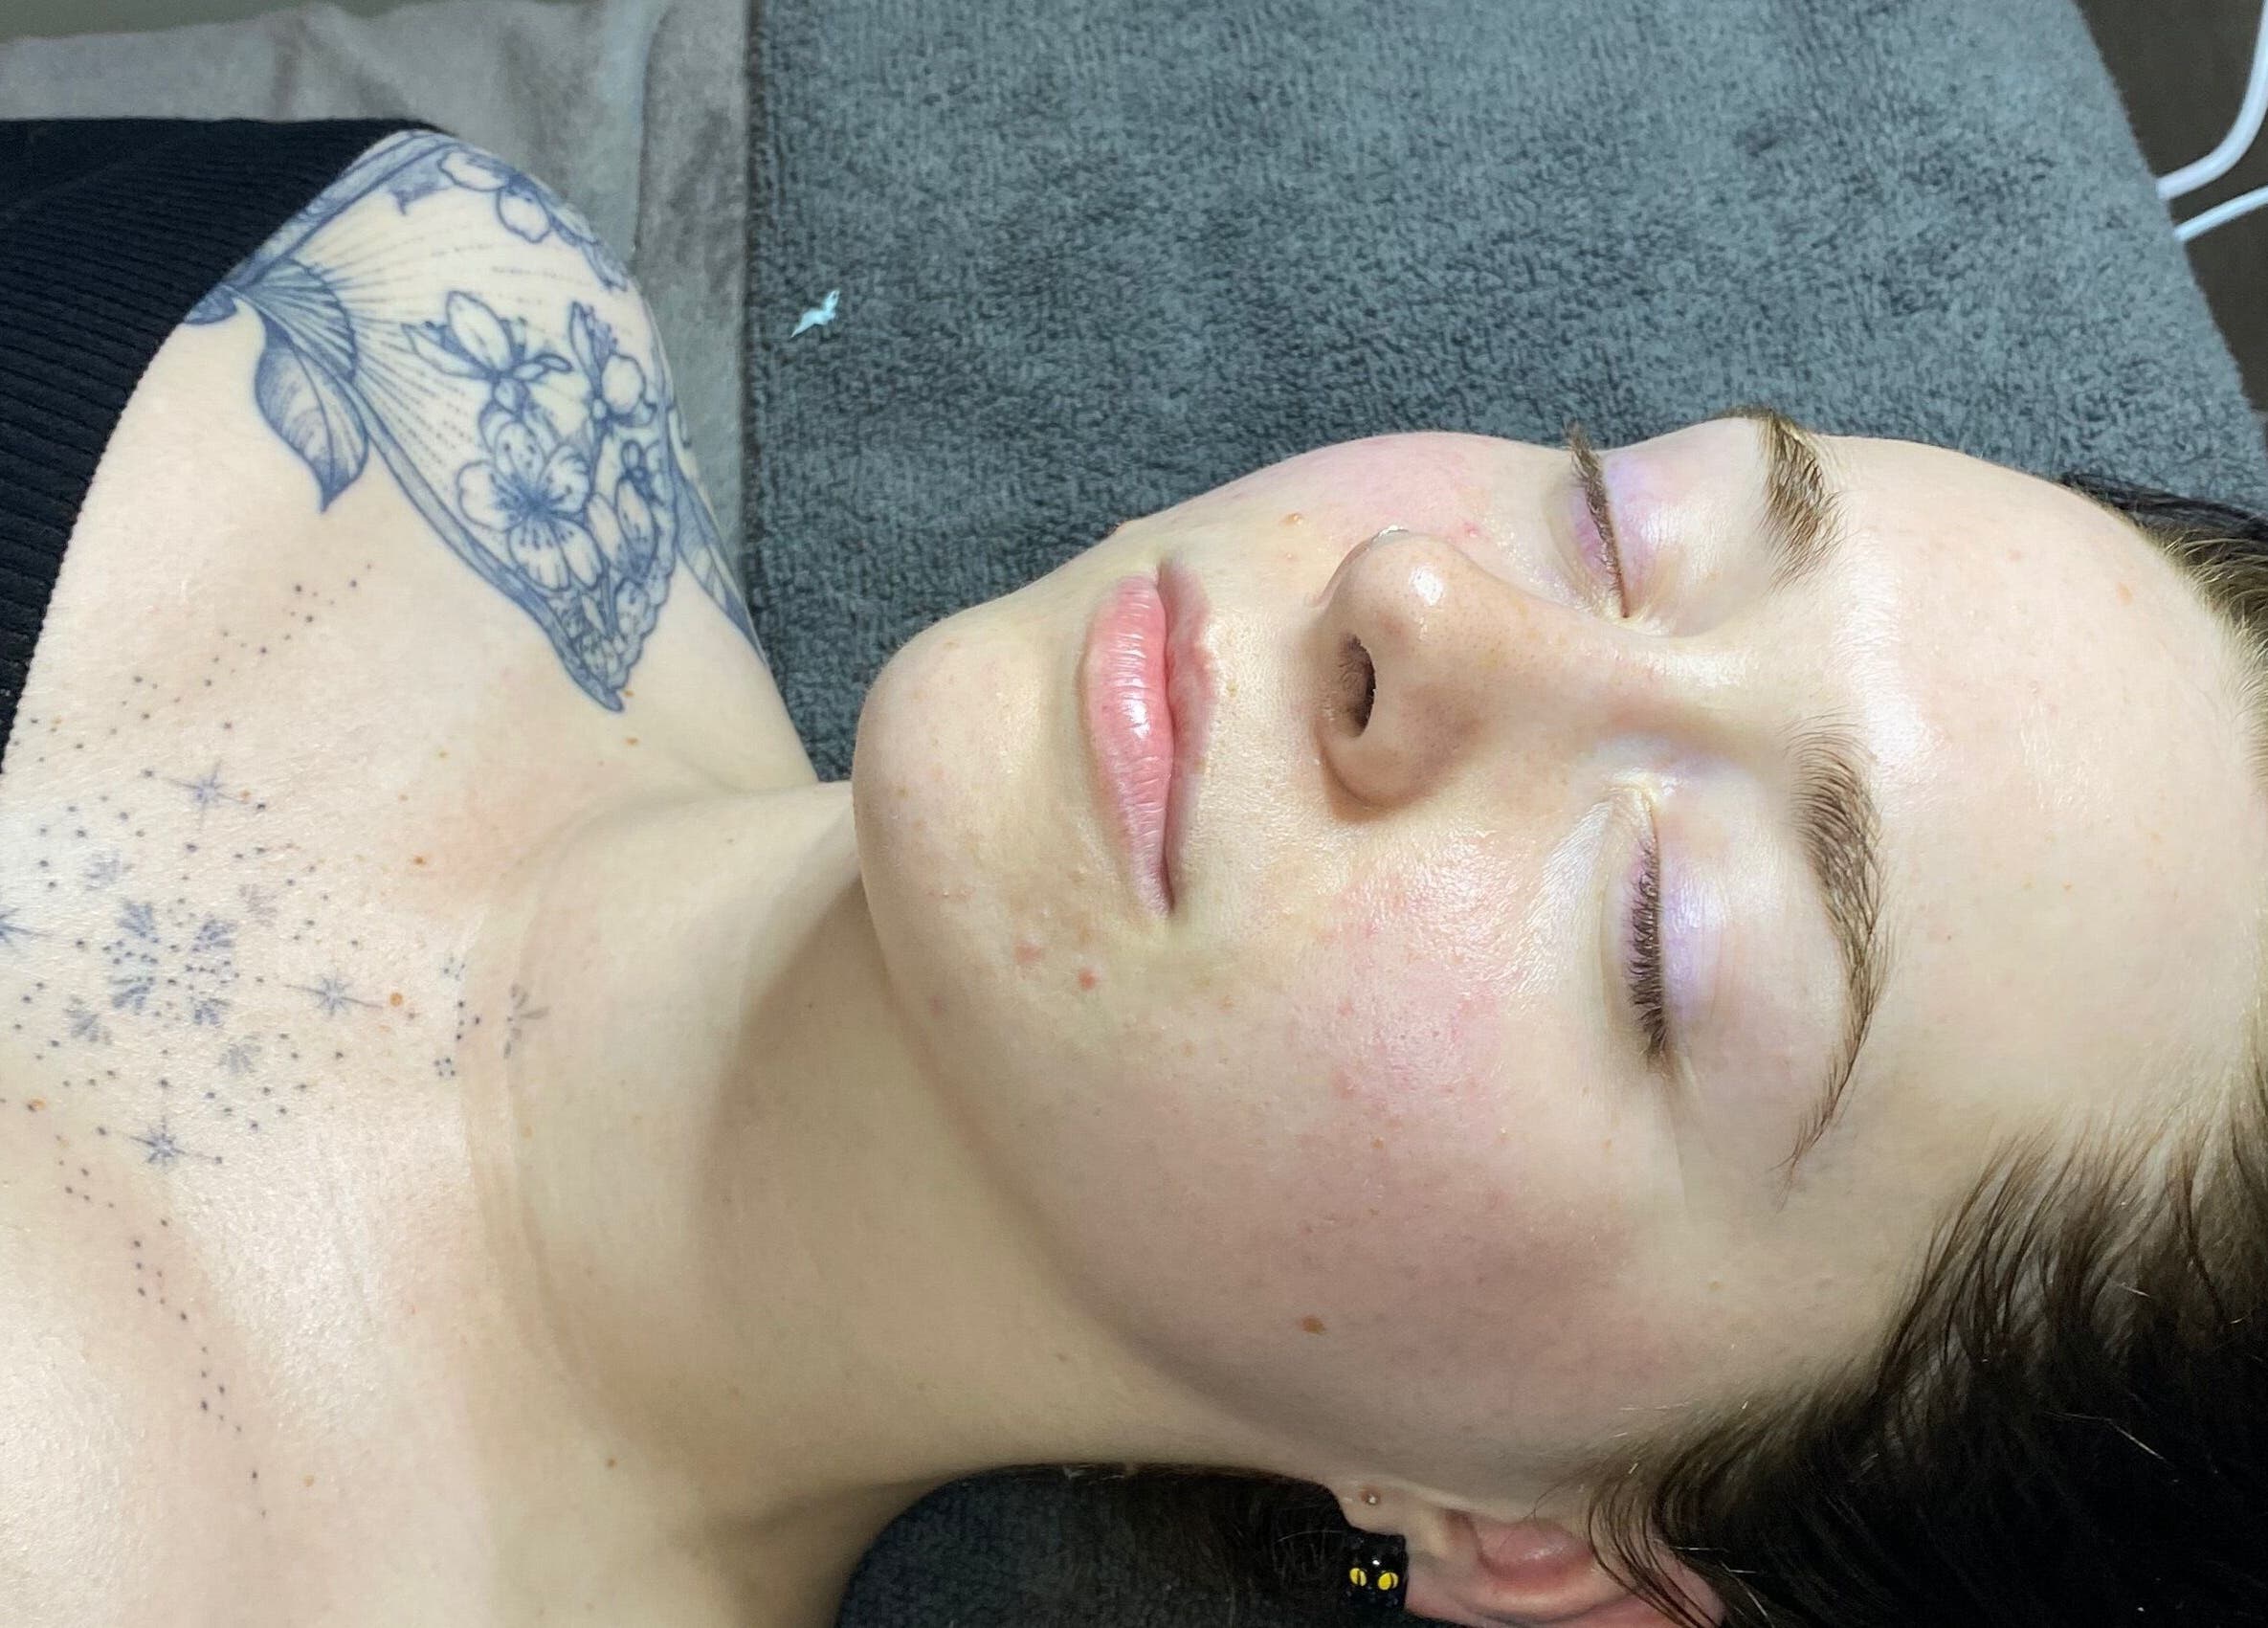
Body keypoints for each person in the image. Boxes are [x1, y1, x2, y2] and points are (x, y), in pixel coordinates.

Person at [2, 121, 2262, 1628]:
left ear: (1558, 1553)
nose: (1425, 605)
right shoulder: (434, 296)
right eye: (1624, 518)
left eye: (1662, 945)